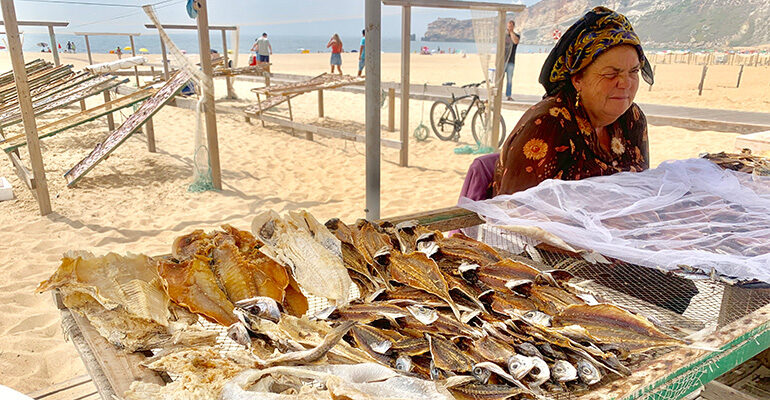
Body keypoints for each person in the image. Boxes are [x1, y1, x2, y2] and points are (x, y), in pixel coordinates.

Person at [492, 6, 653, 196]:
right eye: (611, 73)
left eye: (633, 71)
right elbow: (515, 214)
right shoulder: (548, 127)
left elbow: (641, 189)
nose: (626, 83)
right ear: (577, 79)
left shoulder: (632, 118)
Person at [504, 20, 520, 101]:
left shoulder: (516, 35)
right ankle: (498, 94)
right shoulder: (503, 36)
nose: (509, 27)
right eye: (508, 26)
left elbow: (515, 41)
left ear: (513, 27)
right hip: (502, 61)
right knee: (499, 79)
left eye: (511, 26)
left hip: (511, 61)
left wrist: (511, 32)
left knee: (509, 79)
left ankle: (508, 95)